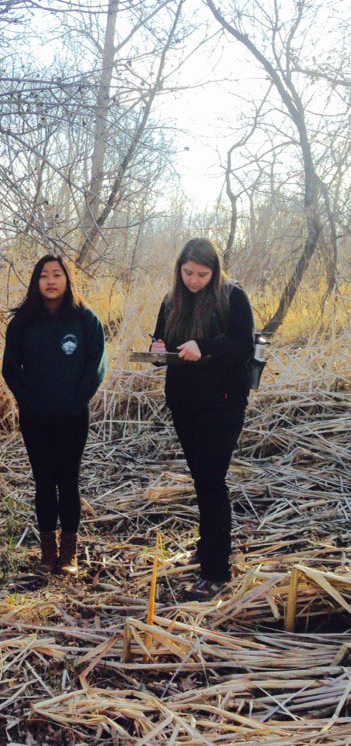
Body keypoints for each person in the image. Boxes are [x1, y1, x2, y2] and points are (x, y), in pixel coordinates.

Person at [150, 237, 254, 601]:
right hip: (184, 403)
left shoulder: (232, 297)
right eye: (188, 272)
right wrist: (157, 349)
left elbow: (244, 345)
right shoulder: (171, 301)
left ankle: (216, 569)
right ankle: (208, 545)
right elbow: (161, 339)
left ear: (215, 271)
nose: (194, 280)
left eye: (202, 274)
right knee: (200, 478)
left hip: (222, 404)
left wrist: (204, 346)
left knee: (212, 480)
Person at [2, 255, 106, 576]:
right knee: (44, 482)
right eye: (44, 275)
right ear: (36, 281)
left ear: (67, 280)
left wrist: (75, 401)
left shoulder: (85, 319)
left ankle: (69, 554)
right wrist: (29, 401)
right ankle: (48, 553)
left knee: (69, 481)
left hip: (73, 416)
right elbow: (10, 368)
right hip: (35, 419)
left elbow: (97, 366)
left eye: (57, 274)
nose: (50, 281)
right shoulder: (22, 322)